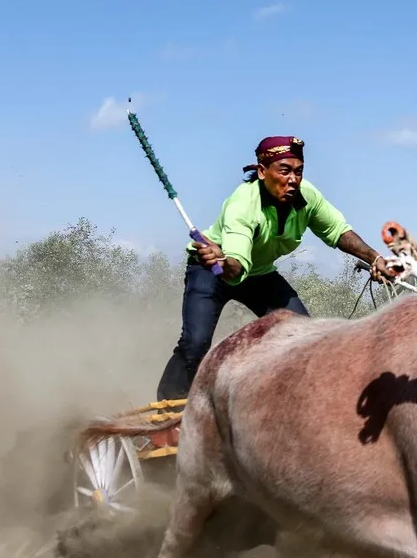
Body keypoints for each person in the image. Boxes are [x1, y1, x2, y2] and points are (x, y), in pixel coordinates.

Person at [156, 135, 395, 401]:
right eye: (284, 171)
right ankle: (166, 407)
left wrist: (375, 258)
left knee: (305, 337)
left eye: (298, 171)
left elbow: (338, 232)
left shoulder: (307, 196)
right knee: (195, 343)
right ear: (262, 171)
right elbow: (235, 269)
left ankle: (294, 404)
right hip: (214, 270)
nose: (293, 179)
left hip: (259, 274)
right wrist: (219, 261)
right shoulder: (243, 204)